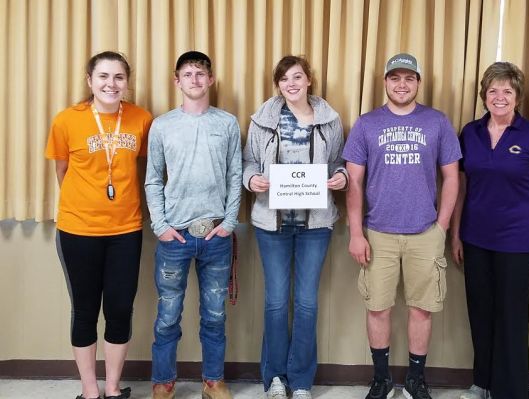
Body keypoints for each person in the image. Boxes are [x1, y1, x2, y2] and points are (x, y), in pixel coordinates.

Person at [343, 53, 461, 399]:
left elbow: (452, 178)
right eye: (395, 78)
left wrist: (441, 226)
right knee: (378, 307)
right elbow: (353, 183)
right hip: (378, 232)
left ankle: (415, 379)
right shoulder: (366, 124)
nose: (402, 85)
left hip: (425, 232)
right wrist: (355, 232)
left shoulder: (437, 122)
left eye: (409, 78)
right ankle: (381, 379)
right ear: (385, 82)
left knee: (421, 308)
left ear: (418, 83)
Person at [45, 51, 153, 399]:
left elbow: (146, 169)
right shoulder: (66, 120)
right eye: (103, 76)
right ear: (90, 81)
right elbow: (63, 171)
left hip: (126, 230)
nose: (111, 84)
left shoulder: (141, 119)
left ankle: (113, 387)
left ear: (127, 82)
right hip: (78, 231)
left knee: (120, 309)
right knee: (85, 310)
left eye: (119, 77)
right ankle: (90, 391)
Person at [450, 62, 529, 399]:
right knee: (480, 312)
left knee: (511, 317)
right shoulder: (470, 133)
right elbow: (461, 188)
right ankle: (482, 382)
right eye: (493, 90)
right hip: (475, 238)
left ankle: (509, 391)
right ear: (484, 96)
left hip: (518, 240)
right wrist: (455, 234)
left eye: (507, 91)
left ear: (517, 97)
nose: (500, 97)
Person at [242, 55, 348, 399]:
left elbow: (339, 163)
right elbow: (247, 163)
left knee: (306, 303)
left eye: (298, 77)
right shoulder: (263, 120)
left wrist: (340, 178)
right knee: (275, 302)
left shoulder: (329, 120)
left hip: (315, 224)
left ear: (309, 80)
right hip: (271, 225)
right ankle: (275, 378)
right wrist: (252, 179)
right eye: (285, 78)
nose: (292, 84)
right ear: (278, 85)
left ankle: (301, 381)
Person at [145, 51, 242, 399]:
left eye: (201, 73)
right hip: (175, 237)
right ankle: (164, 381)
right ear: (177, 81)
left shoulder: (227, 123)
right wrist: (160, 225)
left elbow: (235, 175)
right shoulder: (163, 125)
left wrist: (229, 222)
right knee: (168, 316)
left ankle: (213, 381)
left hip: (215, 234)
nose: (195, 80)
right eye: (187, 74)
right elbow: (153, 180)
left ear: (211, 79)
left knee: (214, 316)